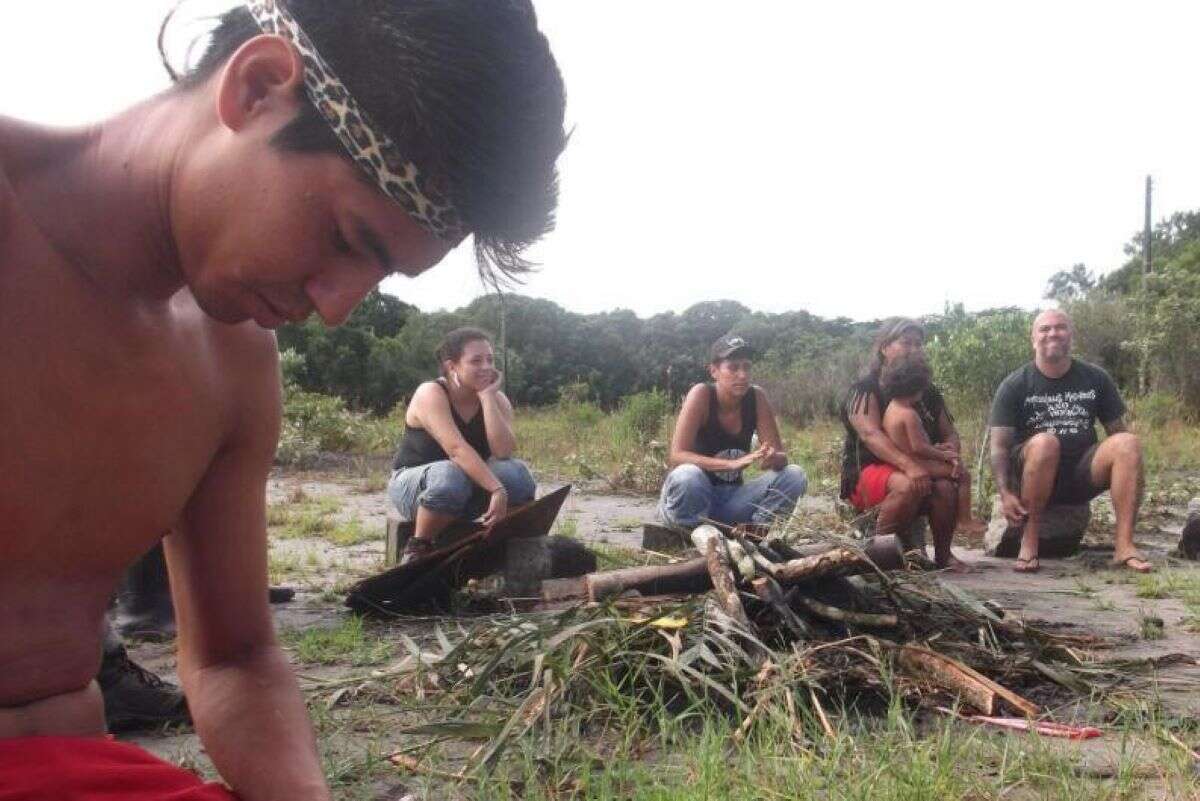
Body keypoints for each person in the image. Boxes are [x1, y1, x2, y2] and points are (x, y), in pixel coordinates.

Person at [0, 0, 566, 797]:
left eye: (378, 280)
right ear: (259, 87)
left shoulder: (231, 360)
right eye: (347, 239)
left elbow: (235, 657)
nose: (335, 305)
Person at [989, 309, 1151, 574]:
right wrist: (1005, 493)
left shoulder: (1095, 377)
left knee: (1128, 442)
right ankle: (1029, 542)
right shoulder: (1015, 384)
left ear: (1070, 337)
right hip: (1033, 474)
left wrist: (1130, 475)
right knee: (1045, 443)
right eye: (1045, 329)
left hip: (1080, 473)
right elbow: (999, 447)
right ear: (1033, 339)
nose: (1053, 333)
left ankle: (1124, 546)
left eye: (1060, 327)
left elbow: (1117, 433)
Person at [387, 328, 537, 565]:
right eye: (476, 361)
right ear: (452, 366)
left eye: (490, 360)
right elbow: (456, 449)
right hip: (417, 489)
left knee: (515, 472)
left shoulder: (497, 399)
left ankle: (504, 543)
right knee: (450, 473)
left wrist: (487, 398)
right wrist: (497, 490)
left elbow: (503, 452)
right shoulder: (431, 393)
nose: (486, 367)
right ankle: (418, 547)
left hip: (467, 489)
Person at [840, 319, 972, 570]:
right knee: (908, 484)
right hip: (870, 470)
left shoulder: (927, 391)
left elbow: (950, 432)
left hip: (922, 464)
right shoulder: (864, 389)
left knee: (945, 486)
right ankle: (879, 558)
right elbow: (871, 436)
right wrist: (909, 466)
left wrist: (949, 453)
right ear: (884, 348)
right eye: (905, 343)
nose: (913, 349)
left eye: (918, 344)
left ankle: (944, 555)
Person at [658, 335, 808, 530]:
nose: (742, 374)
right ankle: (688, 534)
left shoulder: (756, 397)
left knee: (794, 476)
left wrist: (772, 457)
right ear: (714, 371)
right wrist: (730, 464)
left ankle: (756, 534)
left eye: (746, 367)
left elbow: (780, 458)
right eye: (733, 367)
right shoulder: (702, 394)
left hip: (731, 501)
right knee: (688, 475)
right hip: (693, 498)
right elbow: (677, 456)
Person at [880, 355, 988, 537]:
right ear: (916, 388)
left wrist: (939, 448)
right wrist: (944, 456)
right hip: (920, 463)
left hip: (912, 459)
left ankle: (964, 519)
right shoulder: (909, 414)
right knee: (963, 475)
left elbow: (912, 444)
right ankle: (964, 519)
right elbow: (918, 447)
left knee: (954, 467)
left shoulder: (892, 408)